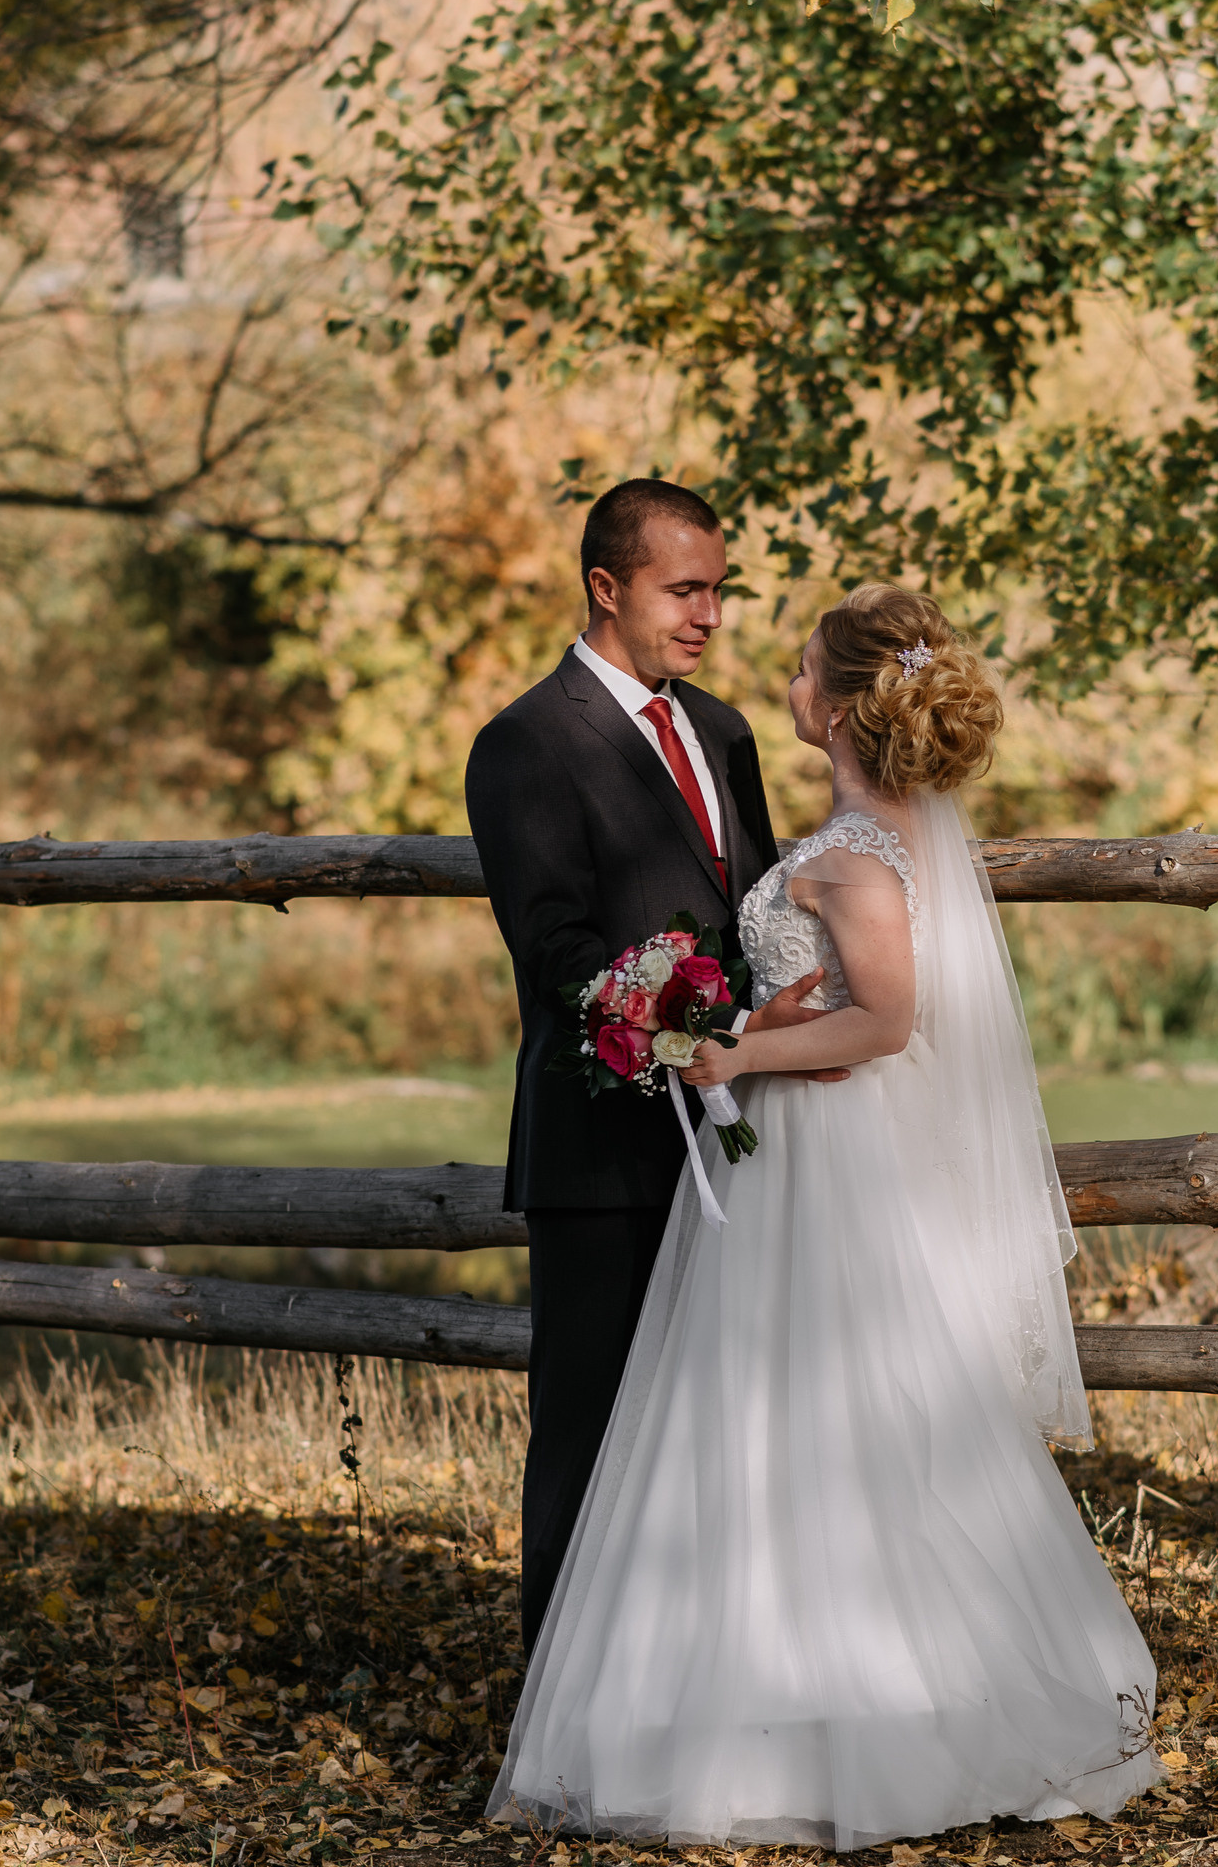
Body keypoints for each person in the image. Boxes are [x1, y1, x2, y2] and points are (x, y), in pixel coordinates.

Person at [487, 584, 1161, 1848]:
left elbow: (888, 1022)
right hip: (797, 1154)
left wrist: (735, 1054)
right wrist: (743, 1026)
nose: (785, 684)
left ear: (847, 706)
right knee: (778, 1424)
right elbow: (833, 1001)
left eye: (805, 670)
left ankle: (868, 1714)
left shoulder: (858, 852)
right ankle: (784, 1695)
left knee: (829, 1418)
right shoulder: (862, 833)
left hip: (820, 1161)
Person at [465, 478, 840, 1654]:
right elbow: (559, 951)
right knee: (590, 1433)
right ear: (605, 586)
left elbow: (762, 912)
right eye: (686, 590)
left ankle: (696, 1684)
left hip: (740, 1140)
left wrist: (769, 1035)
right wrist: (689, 1037)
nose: (711, 615)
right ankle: (559, 1711)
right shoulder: (526, 744)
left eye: (721, 590)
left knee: (725, 1429)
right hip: (603, 1153)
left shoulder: (725, 732)